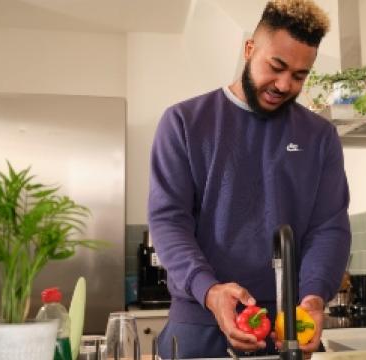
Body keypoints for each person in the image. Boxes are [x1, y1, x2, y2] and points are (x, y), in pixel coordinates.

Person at [148, 0, 351, 358]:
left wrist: (315, 296)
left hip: (288, 330)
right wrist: (210, 292)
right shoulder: (184, 122)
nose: (284, 84)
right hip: (200, 324)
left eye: (300, 75)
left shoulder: (319, 136)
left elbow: (329, 228)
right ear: (248, 49)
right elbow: (168, 221)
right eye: (276, 66)